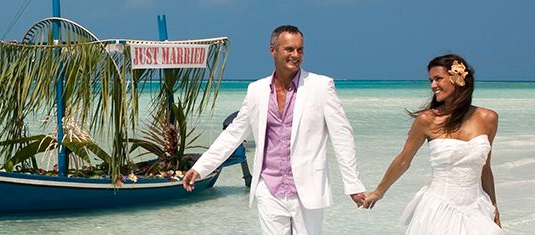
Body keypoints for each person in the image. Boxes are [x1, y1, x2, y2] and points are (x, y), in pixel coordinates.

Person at [183, 25, 368, 235]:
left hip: (307, 190)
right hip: (268, 188)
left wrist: (353, 184)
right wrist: (201, 167)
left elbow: (342, 135)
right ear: (273, 51)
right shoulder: (256, 90)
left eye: (300, 50)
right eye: (289, 49)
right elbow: (235, 133)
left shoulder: (321, 87)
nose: (296, 55)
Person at [359, 54, 501, 234]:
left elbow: (485, 168)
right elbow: (403, 160)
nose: (433, 85)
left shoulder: (488, 118)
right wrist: (378, 193)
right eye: (431, 80)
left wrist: (494, 207)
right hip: (439, 209)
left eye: (438, 79)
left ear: (458, 79)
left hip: (477, 208)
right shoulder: (427, 120)